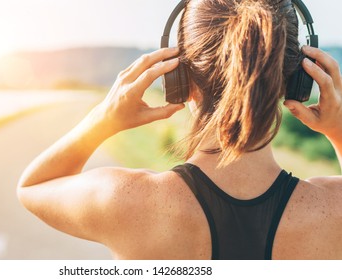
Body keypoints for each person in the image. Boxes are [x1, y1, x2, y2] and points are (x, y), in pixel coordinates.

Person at [17, 0, 342, 259]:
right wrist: (338, 131)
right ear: (297, 81)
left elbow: (34, 186)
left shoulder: (124, 200)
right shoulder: (333, 211)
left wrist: (103, 118)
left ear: (179, 80)